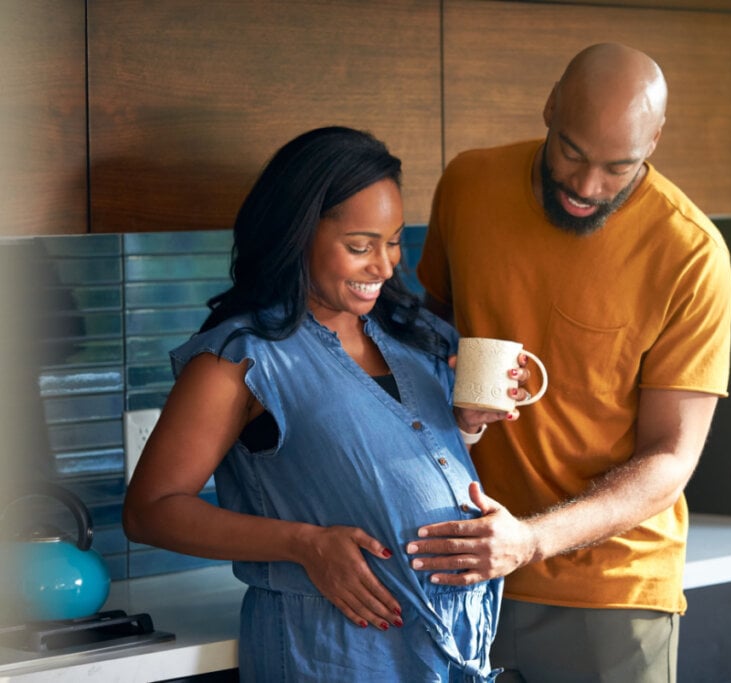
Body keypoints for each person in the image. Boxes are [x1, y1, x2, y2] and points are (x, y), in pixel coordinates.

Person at [122, 126, 515, 682]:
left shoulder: (414, 334)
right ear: (296, 235)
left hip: (450, 655)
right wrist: (304, 544)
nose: (384, 266)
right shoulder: (240, 360)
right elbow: (149, 510)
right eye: (360, 246)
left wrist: (469, 424)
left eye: (394, 240)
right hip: (331, 654)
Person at [410, 43, 731, 682]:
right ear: (550, 106)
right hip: (463, 571)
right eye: (572, 153)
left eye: (620, 167)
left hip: (611, 589)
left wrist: (529, 540)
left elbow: (671, 458)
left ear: (656, 139)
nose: (588, 187)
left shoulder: (689, 254)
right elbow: (425, 341)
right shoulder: (469, 186)